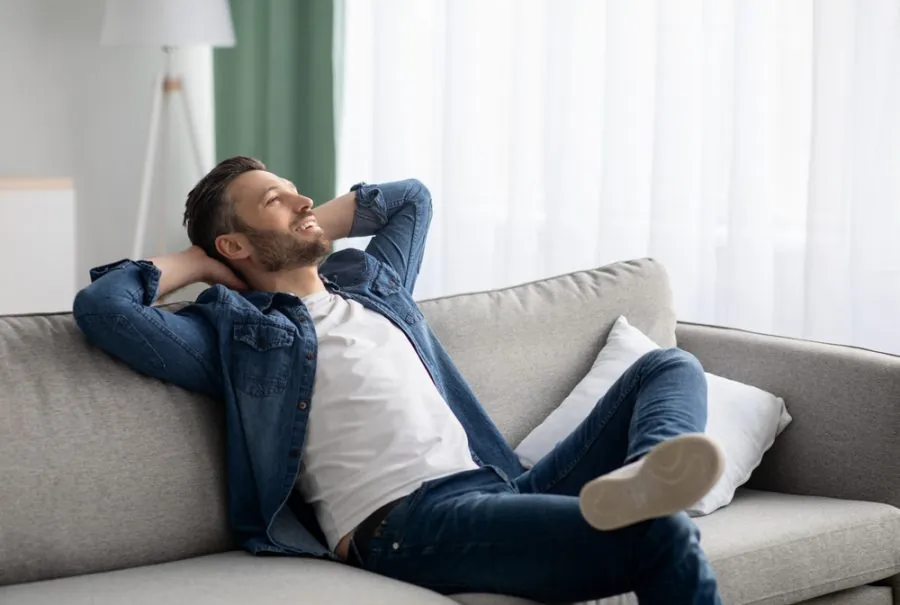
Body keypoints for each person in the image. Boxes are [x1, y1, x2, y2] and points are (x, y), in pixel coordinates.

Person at [73, 156, 726, 604]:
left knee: (667, 365)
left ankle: (641, 478)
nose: (304, 199)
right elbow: (106, 310)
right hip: (406, 524)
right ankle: (646, 504)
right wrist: (201, 260)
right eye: (276, 199)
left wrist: (297, 224)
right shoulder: (238, 337)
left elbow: (411, 198)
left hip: (498, 484)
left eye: (298, 190)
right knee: (665, 535)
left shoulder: (374, 283)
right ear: (235, 245)